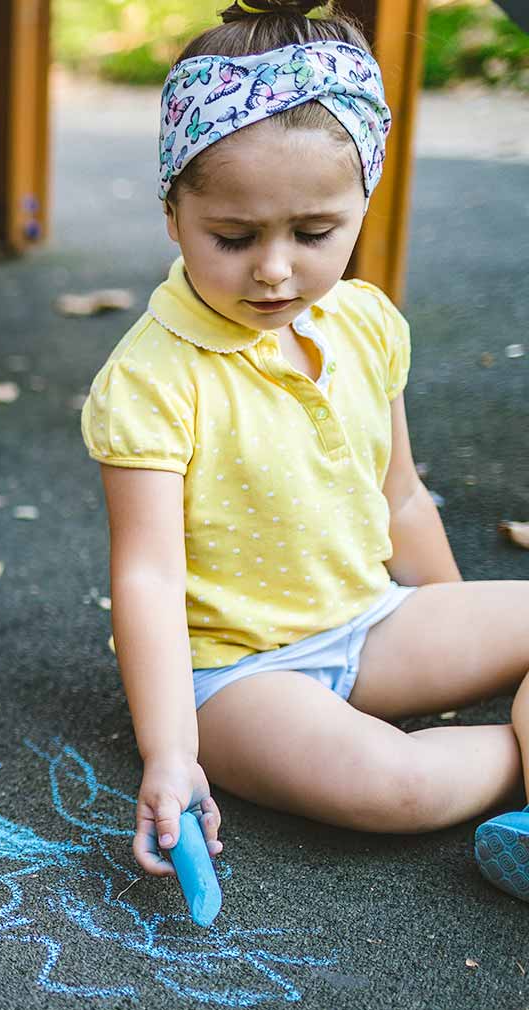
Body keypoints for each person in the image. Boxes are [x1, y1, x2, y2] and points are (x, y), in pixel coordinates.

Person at [84, 0, 529, 903]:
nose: (276, 270)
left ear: (363, 200)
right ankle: (506, 762)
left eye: (315, 234)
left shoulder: (363, 322)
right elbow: (149, 581)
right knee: (394, 785)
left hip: (370, 621)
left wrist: (453, 639)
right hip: (242, 677)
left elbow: (400, 496)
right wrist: (170, 753)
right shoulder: (152, 380)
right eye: (235, 238)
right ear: (174, 214)